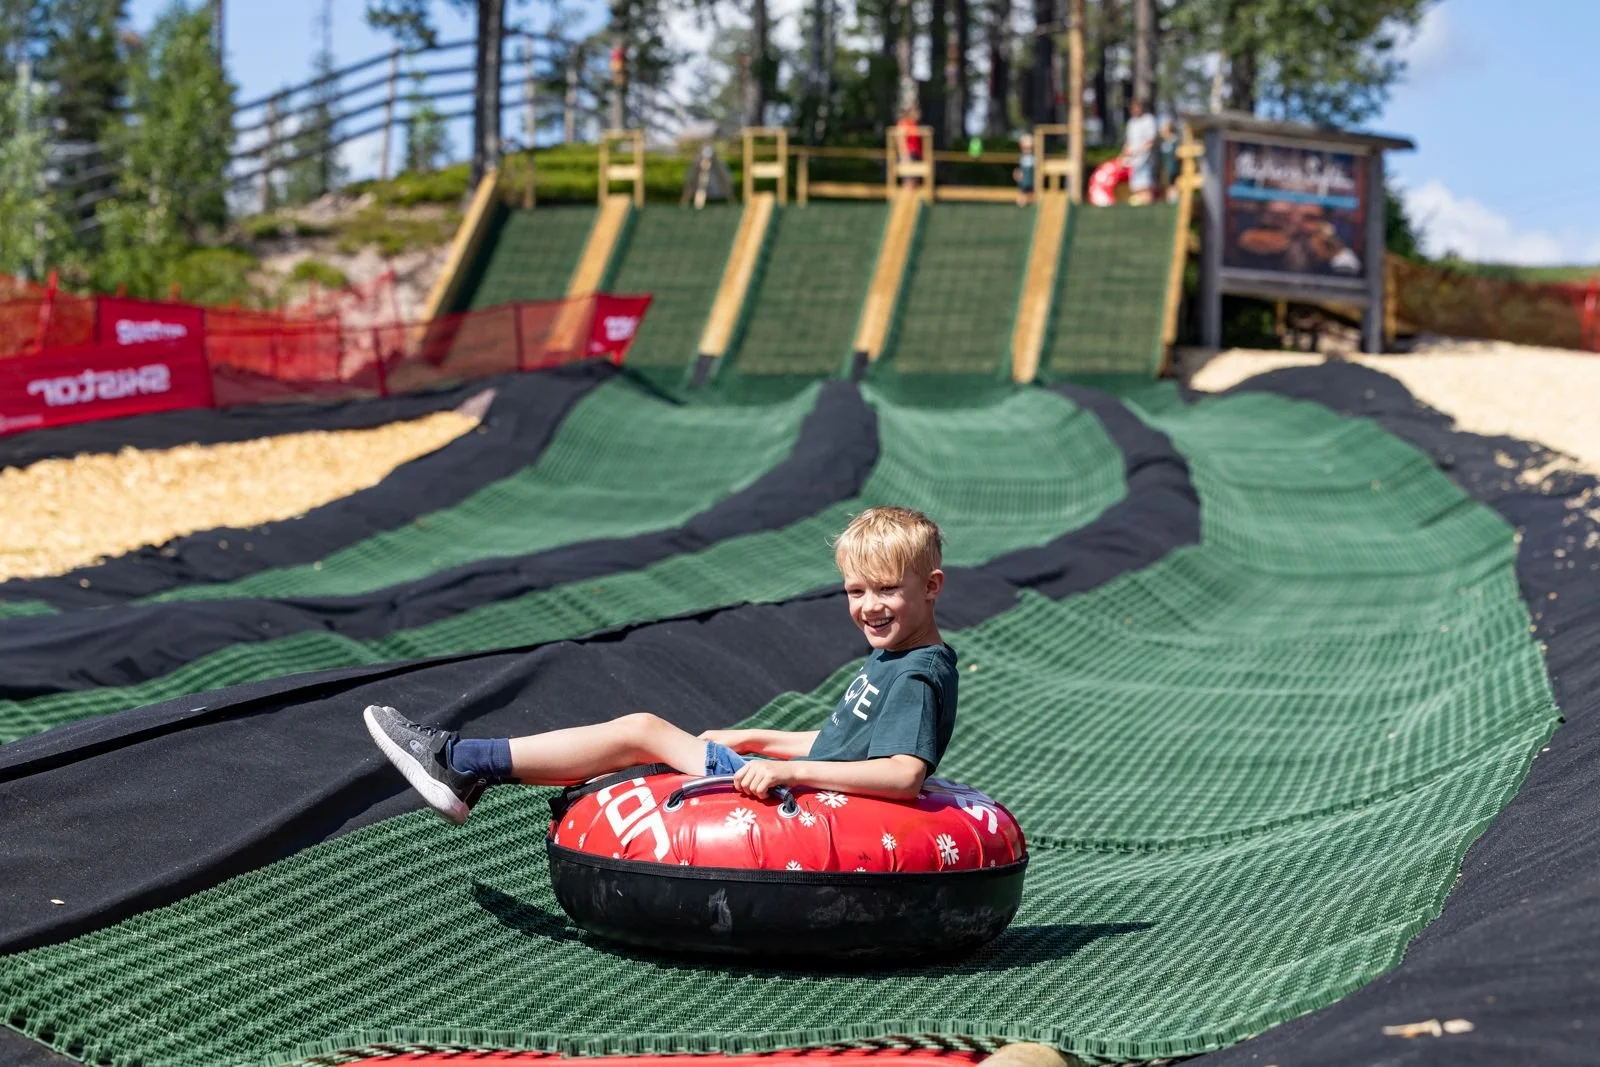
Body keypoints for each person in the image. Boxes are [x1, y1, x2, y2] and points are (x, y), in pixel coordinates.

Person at [364, 507, 960, 825]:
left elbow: (902, 775)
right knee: (644, 740)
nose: (869, 607)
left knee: (640, 729)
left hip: (815, 805)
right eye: (856, 591)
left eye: (886, 589)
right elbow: (850, 742)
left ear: (930, 587)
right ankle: (477, 770)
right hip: (803, 786)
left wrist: (790, 773)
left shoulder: (915, 672)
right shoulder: (895, 656)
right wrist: (762, 739)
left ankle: (460, 763)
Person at [1122, 97, 1158, 206]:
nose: (1134, 110)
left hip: (1146, 160)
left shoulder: (1148, 120)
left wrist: (1135, 151)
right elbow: (1128, 142)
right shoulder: (1131, 123)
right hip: (1134, 162)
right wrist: (1124, 155)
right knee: (1136, 187)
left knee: (1145, 187)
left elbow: (1150, 142)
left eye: (1136, 107)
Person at [896, 106, 925, 186]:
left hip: (916, 154)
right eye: (916, 112)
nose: (918, 114)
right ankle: (905, 198)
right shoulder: (904, 123)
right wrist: (905, 156)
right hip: (909, 154)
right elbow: (900, 140)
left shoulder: (915, 124)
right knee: (909, 181)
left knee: (916, 181)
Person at [1014, 134, 1036, 207]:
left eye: (1029, 148)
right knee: (1023, 188)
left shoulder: (1034, 157)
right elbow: (1018, 168)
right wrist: (1017, 173)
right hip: (1023, 182)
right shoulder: (1021, 157)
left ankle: (1028, 199)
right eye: (1025, 147)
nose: (1027, 149)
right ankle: (1023, 200)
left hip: (1031, 181)